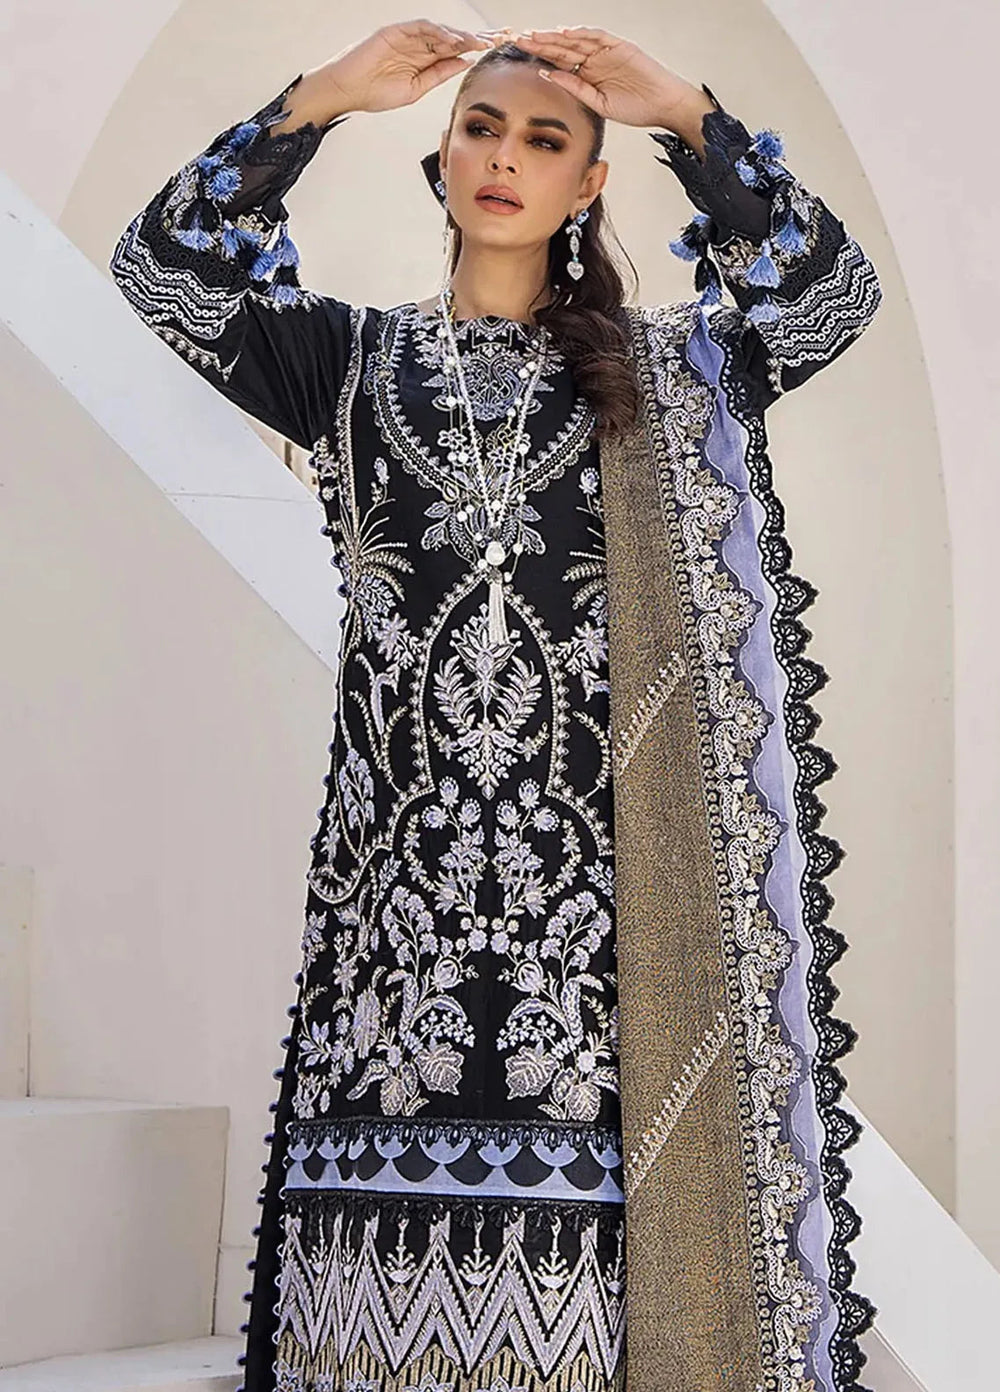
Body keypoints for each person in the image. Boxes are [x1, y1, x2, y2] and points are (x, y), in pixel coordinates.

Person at [109, 20, 882, 1392]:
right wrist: (323, 98)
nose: (505, 158)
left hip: (589, 925)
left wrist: (685, 113)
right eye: (481, 128)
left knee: (578, 1313)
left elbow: (826, 300)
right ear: (442, 157)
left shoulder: (663, 379)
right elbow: (164, 269)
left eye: (544, 139)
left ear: (589, 184)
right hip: (394, 914)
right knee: (368, 1301)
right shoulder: (345, 364)